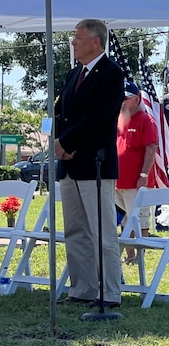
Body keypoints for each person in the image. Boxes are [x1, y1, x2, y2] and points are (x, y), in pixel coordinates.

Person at [54, 19, 123, 309]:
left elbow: (98, 117)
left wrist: (67, 142)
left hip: (94, 163)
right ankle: (82, 289)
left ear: (96, 41)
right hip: (70, 165)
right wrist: (58, 143)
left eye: (79, 37)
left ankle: (109, 293)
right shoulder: (73, 75)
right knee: (75, 230)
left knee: (102, 232)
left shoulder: (111, 73)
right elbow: (60, 113)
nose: (73, 42)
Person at [116, 80, 157, 264]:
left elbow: (151, 148)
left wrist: (143, 176)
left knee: (139, 220)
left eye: (127, 97)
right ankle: (130, 256)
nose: (122, 101)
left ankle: (140, 257)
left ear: (137, 99)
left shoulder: (145, 120)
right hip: (117, 182)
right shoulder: (118, 120)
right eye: (120, 97)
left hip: (136, 181)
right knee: (123, 220)